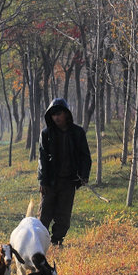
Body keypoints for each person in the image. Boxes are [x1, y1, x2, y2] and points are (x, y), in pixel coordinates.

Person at [37, 97, 92, 246]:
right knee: (44, 214)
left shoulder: (77, 133)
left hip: (69, 181)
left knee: (64, 215)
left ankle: (57, 241)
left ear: (66, 114)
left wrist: (84, 175)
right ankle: (40, 242)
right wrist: (42, 180)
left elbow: (85, 156)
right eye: (53, 114)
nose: (56, 117)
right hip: (50, 182)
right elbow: (42, 158)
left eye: (59, 113)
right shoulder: (46, 133)